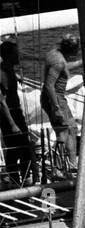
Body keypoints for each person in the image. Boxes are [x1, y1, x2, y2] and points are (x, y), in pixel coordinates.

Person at [42, 34, 82, 174]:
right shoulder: (58, 62)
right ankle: (57, 168)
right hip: (55, 99)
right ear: (73, 50)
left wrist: (79, 63)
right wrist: (56, 108)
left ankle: (72, 165)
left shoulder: (55, 54)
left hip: (59, 98)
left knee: (72, 129)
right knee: (63, 132)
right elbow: (49, 85)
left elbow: (64, 66)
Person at [0, 39, 33, 183]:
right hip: (9, 114)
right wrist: (12, 124)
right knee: (14, 148)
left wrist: (17, 77)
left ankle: (25, 177)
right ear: (8, 55)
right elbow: (1, 101)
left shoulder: (9, 70)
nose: (19, 57)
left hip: (16, 111)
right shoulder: (2, 74)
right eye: (16, 54)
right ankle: (14, 179)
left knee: (25, 146)